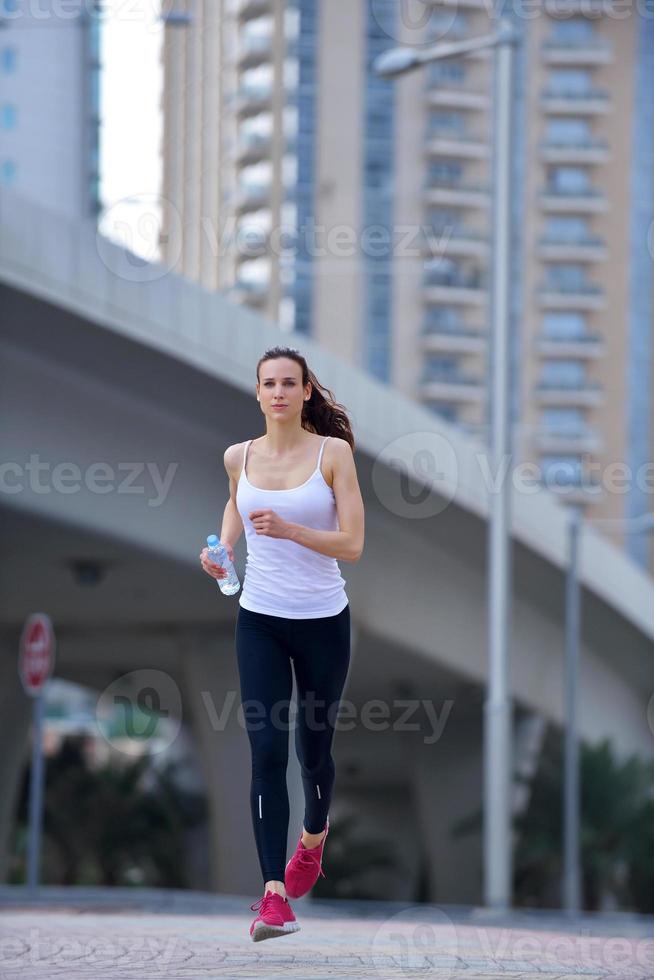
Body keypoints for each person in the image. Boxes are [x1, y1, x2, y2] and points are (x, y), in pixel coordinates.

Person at [199, 345, 365, 942]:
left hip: (324, 620)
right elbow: (234, 504)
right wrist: (221, 552)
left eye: (289, 383)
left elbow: (352, 544)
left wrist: (291, 529)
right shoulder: (237, 456)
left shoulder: (333, 455)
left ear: (305, 393)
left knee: (312, 752)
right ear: (258, 391)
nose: (278, 392)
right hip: (260, 620)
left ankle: (313, 840)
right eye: (268, 383)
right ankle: (273, 897)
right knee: (266, 750)